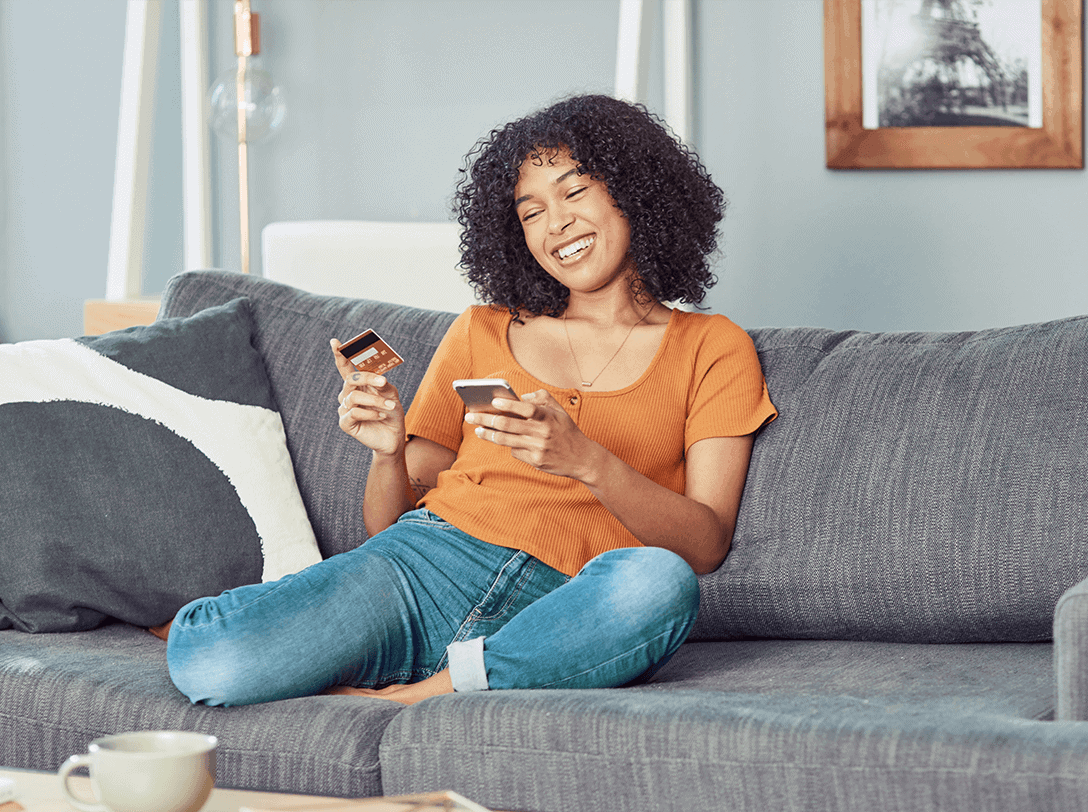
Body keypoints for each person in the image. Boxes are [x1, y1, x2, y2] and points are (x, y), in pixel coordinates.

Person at [162, 94, 776, 707]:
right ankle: (449, 677)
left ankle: (429, 690)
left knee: (661, 584)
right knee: (208, 657)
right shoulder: (483, 329)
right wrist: (387, 453)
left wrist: (585, 460)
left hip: (565, 605)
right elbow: (389, 522)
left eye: (574, 192)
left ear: (636, 193)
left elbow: (705, 544)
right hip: (427, 566)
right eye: (529, 211)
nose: (554, 223)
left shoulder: (712, 348)